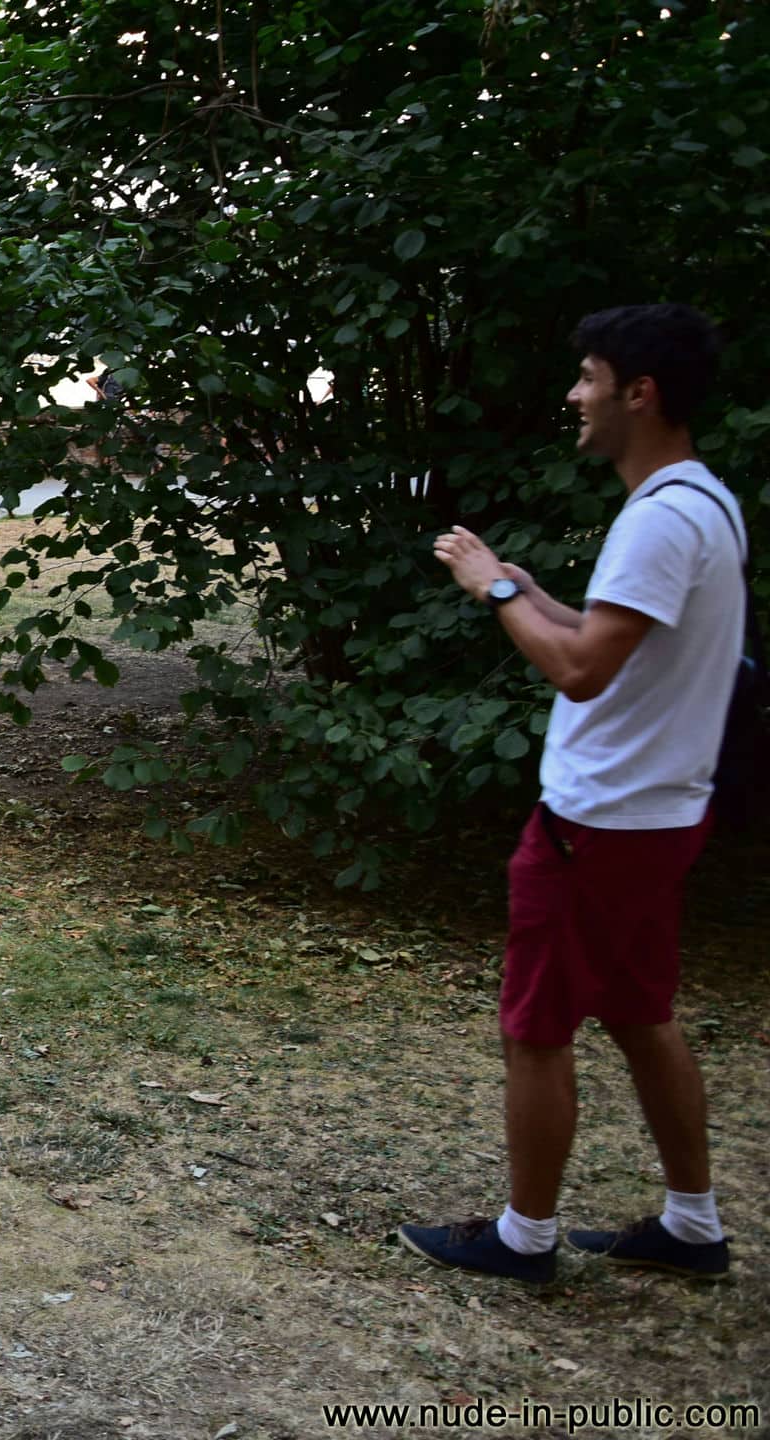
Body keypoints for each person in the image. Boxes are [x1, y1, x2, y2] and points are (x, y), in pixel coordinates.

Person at [401, 304, 740, 1283]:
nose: (574, 394)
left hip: (597, 824)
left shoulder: (660, 520)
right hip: (659, 814)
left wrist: (495, 591)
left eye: (589, 377)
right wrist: (533, 591)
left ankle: (525, 1240)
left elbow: (582, 671)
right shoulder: (704, 502)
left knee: (536, 1028)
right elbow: (614, 640)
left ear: (640, 393)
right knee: (639, 1013)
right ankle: (692, 1226)